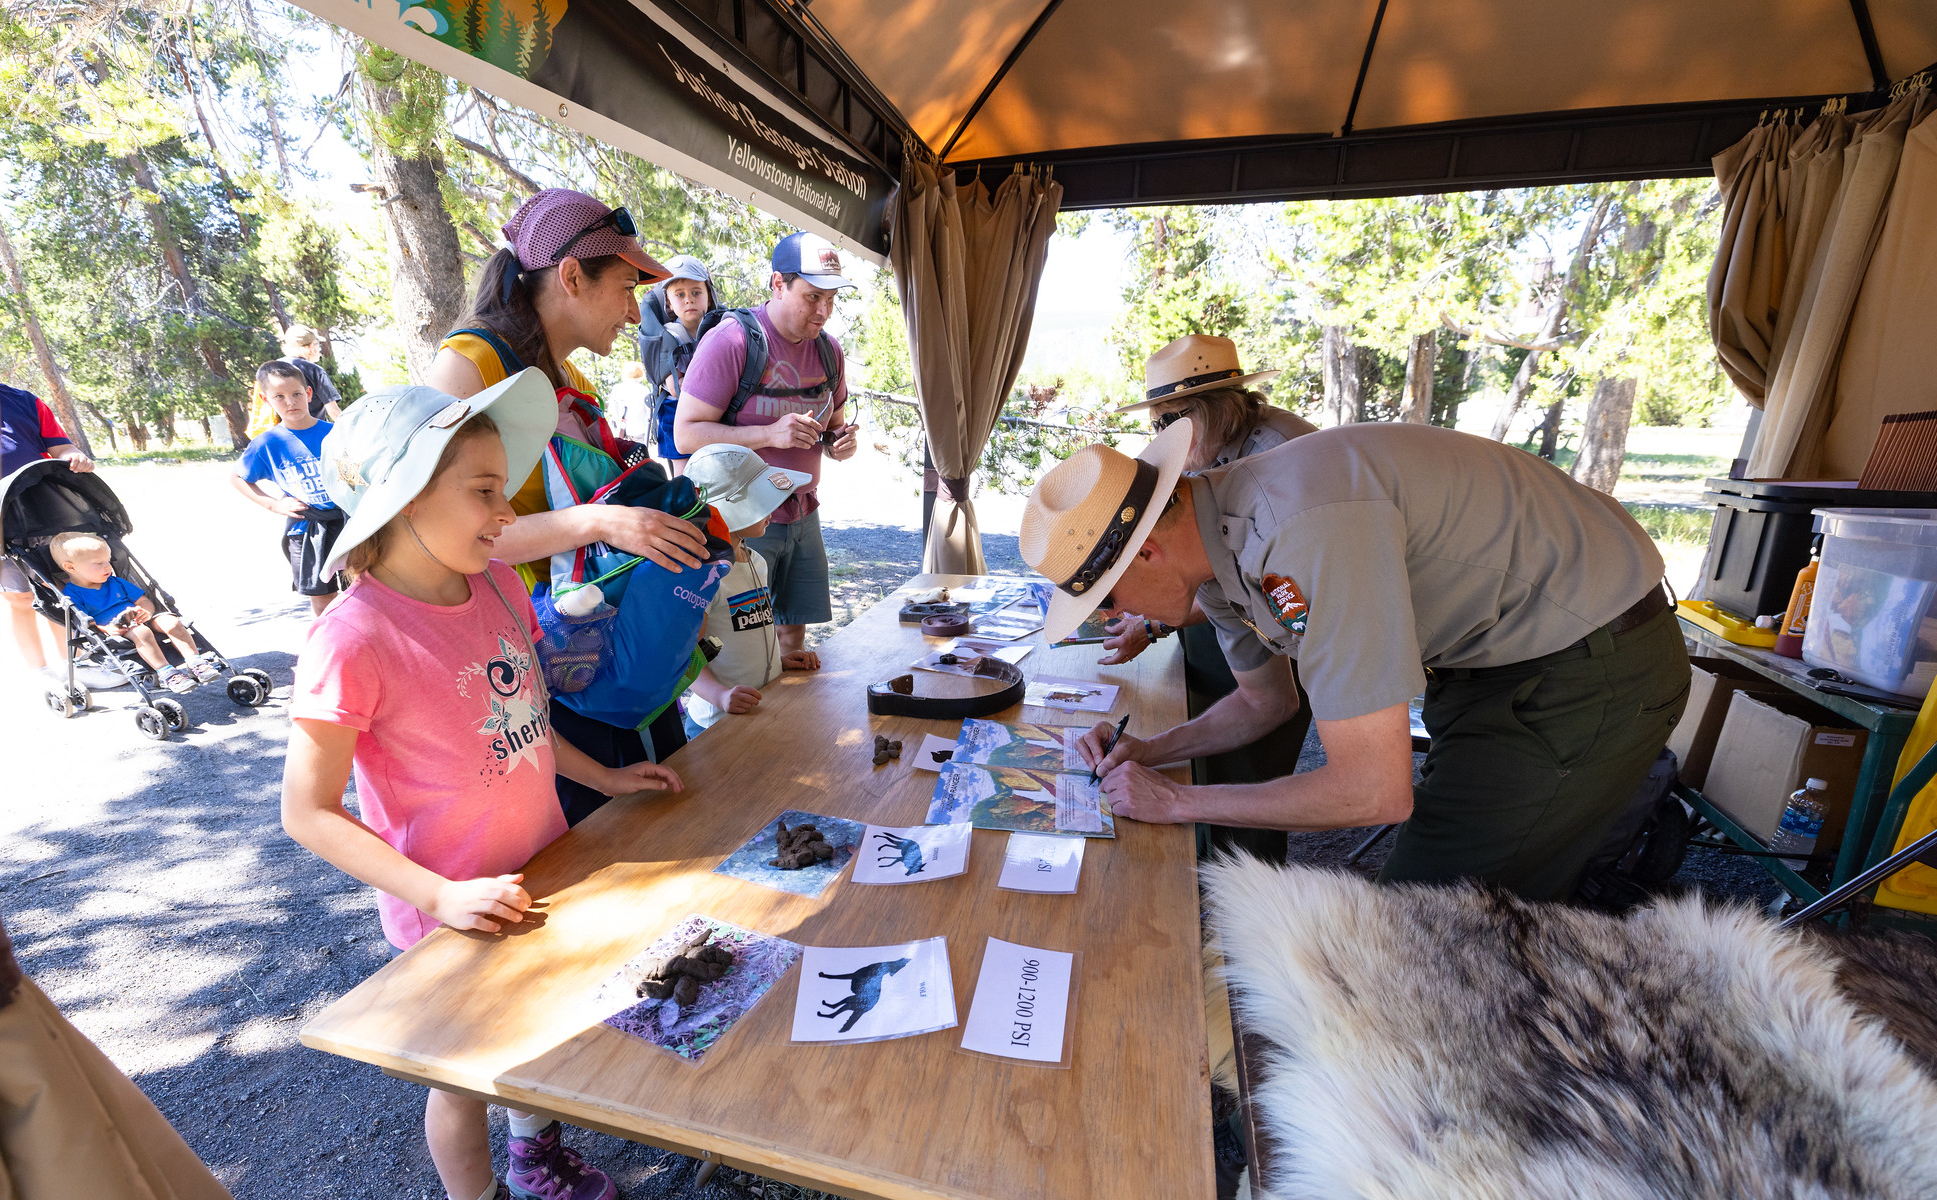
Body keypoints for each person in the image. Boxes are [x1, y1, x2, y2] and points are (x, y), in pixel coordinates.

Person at [281, 374, 683, 1200]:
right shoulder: (353, 637)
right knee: (463, 1074)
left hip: (538, 866)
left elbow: (528, 720)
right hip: (450, 906)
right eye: (485, 491)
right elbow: (306, 810)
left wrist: (607, 777)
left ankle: (536, 1158)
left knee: (532, 1036)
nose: (507, 513)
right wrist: (434, 894)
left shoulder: (498, 585)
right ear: (405, 494)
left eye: (504, 488)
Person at [1026, 422, 1689, 904]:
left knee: (1422, 919)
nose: (1112, 620)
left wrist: (1180, 802)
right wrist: (1152, 751)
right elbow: (1269, 703)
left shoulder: (1297, 533)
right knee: (1465, 900)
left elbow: (1373, 789)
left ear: (1144, 554)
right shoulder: (1214, 547)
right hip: (1491, 658)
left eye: (1105, 600)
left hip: (1588, 664)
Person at [425, 189, 709, 813]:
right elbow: (447, 536)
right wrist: (597, 520)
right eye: (628, 288)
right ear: (573, 276)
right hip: (539, 665)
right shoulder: (468, 367)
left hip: (601, 654)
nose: (637, 314)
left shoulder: (573, 383)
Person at [1096, 335, 1320, 864]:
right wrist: (1152, 752)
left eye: (1166, 421)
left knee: (1250, 779)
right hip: (1251, 634)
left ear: (1206, 412)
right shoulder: (1207, 454)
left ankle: (1243, 890)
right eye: (1156, 424)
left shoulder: (1277, 466)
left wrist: (1154, 624)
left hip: (1304, 633)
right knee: (1218, 758)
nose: (1160, 436)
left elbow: (1273, 595)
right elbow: (1214, 573)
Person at [673, 231, 863, 672]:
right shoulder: (733, 342)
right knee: (736, 638)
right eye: (812, 297)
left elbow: (831, 432)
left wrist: (840, 444)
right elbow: (686, 435)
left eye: (831, 299)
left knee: (792, 638)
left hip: (803, 511)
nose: (823, 312)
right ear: (778, 284)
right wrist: (767, 435)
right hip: (742, 520)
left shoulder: (830, 352)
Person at [679, 445, 820, 735]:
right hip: (715, 723)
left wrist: (778, 663)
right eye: (761, 499)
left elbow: (747, 627)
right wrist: (720, 696)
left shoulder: (756, 560)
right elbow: (683, 657)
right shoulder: (704, 576)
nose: (775, 508)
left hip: (754, 710)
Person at [232, 360, 344, 616]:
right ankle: (331, 648)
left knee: (361, 590)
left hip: (348, 523)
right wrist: (273, 504)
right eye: (279, 396)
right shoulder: (267, 443)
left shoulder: (336, 433)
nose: (290, 402)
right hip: (307, 529)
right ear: (266, 399)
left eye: (296, 394)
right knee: (322, 597)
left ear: (308, 393)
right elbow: (238, 478)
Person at [0, 380, 93, 671]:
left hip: (41, 507)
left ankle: (76, 666)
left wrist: (73, 456)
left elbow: (61, 446)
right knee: (20, 597)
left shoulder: (23, 400)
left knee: (57, 586)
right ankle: (41, 671)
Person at [50, 531, 220, 693]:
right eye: (98, 563)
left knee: (171, 621)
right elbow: (84, 621)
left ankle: (195, 661)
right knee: (142, 631)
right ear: (71, 568)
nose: (107, 567)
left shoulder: (115, 582)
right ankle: (167, 673)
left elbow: (143, 600)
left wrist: (145, 611)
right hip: (116, 629)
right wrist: (107, 629)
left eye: (108, 561)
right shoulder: (72, 594)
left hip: (139, 617)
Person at [637, 255, 721, 473]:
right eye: (680, 295)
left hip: (712, 411)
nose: (688, 300)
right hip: (676, 412)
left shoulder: (719, 331)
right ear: (669, 303)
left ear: (709, 297)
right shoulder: (669, 336)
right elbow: (676, 386)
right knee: (686, 478)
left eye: (696, 292)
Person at [246, 325, 343, 436]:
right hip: (315, 436)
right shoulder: (314, 370)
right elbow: (333, 411)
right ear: (311, 347)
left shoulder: (270, 371)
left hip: (282, 437)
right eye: (317, 344)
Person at [604, 362, 650, 444]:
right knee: (640, 455)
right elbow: (649, 412)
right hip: (640, 430)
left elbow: (612, 409)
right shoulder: (644, 390)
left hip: (620, 431)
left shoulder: (617, 388)